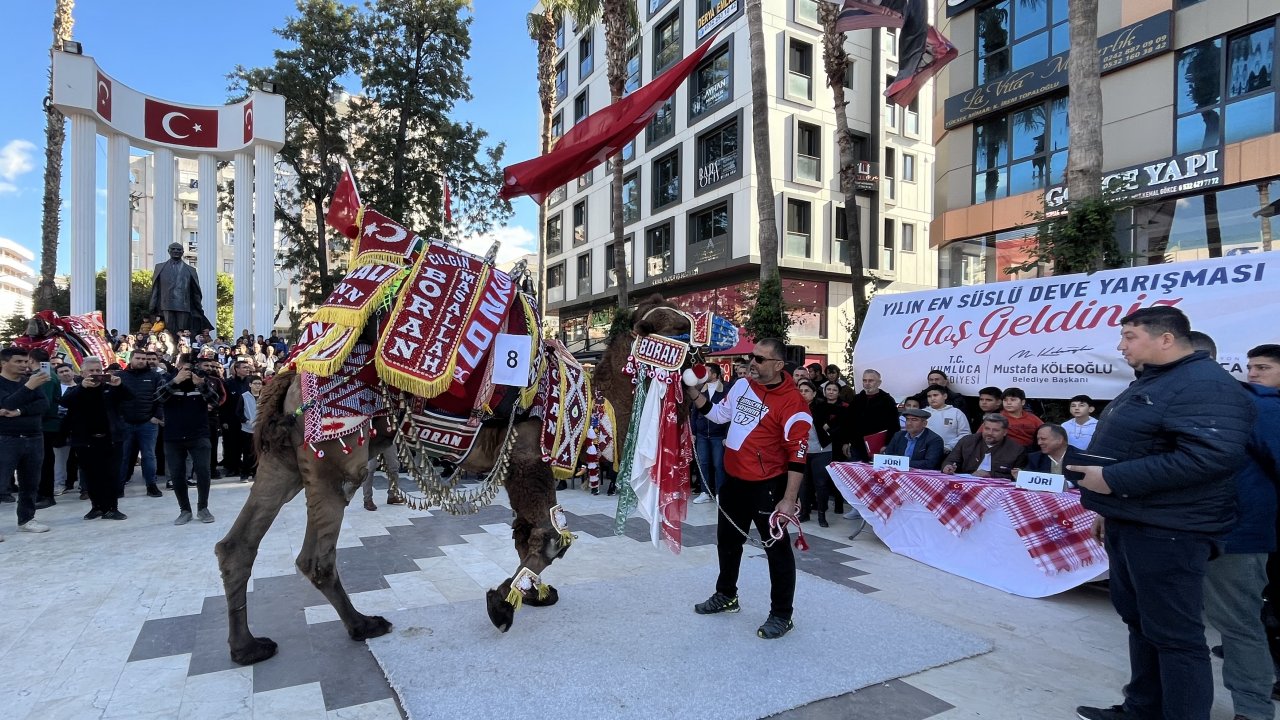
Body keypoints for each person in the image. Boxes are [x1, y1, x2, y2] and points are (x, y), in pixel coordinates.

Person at [1072, 307, 1255, 720]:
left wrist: (1114, 480)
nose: (1121, 346)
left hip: (1171, 530)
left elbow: (1210, 458)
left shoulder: (1205, 384)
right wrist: (1109, 504)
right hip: (1133, 519)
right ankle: (1141, 709)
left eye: (1129, 336)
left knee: (1176, 639)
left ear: (1166, 338)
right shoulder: (1159, 380)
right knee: (1141, 624)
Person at [688, 338, 812, 640]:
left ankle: (782, 614)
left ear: (778, 365)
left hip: (769, 486)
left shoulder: (794, 403)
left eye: (759, 359)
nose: (751, 364)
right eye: (750, 357)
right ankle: (726, 595)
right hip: (733, 480)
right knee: (727, 543)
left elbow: (798, 456)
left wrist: (788, 500)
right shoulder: (742, 386)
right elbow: (719, 415)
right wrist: (694, 393)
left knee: (777, 551)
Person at [1197, 339, 1280, 720]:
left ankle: (1254, 711)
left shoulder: (1261, 408)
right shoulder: (1221, 403)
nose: (1253, 374)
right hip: (1192, 527)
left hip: (1238, 533)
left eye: (1263, 367)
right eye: (1251, 367)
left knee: (1240, 625)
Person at [156, 353, 223, 525]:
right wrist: (175, 381)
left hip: (199, 434)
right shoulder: (166, 379)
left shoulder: (202, 381)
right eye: (185, 368)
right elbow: (158, 398)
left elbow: (215, 401)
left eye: (191, 368)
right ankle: (184, 510)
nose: (188, 372)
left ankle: (203, 508)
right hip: (173, 436)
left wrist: (201, 385)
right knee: (177, 475)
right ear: (178, 366)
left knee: (203, 471)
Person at [60, 361, 130, 520]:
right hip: (85, 440)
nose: (95, 372)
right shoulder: (76, 389)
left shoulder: (109, 387)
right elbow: (64, 402)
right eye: (91, 370)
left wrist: (119, 385)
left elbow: (129, 397)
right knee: (91, 475)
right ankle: (96, 506)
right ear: (82, 373)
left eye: (98, 369)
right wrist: (81, 387)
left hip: (111, 438)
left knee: (111, 474)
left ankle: (112, 508)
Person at [0, 348, 52, 536]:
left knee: (30, 483)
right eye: (18, 361)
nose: (24, 365)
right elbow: (6, 403)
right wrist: (28, 388)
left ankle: (27, 519)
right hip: (7, 439)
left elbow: (43, 405)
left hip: (34, 437)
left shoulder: (30, 381)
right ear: (4, 363)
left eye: (25, 361)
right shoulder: (26, 383)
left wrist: (20, 412)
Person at [115, 349, 166, 498]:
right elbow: (115, 399)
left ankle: (151, 485)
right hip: (126, 423)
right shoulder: (120, 376)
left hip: (148, 423)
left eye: (144, 358)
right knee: (124, 456)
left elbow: (161, 398)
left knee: (149, 456)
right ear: (131, 359)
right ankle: (119, 487)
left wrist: (157, 416)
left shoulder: (155, 376)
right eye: (138, 358)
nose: (142, 361)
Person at [149, 242, 213, 336]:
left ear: (183, 252)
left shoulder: (191, 270)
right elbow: (156, 288)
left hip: (184, 305)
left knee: (182, 329)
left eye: (179, 249)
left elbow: (195, 291)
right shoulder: (159, 267)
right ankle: (170, 349)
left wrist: (198, 307)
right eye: (173, 249)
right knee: (169, 330)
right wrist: (152, 304)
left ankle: (183, 348)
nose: (176, 251)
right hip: (166, 304)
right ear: (169, 251)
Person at [942, 413, 1027, 480]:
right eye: (987, 429)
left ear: (1005, 432)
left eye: (995, 430)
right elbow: (951, 460)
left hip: (997, 490)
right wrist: (948, 467)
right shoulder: (967, 441)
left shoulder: (1016, 450)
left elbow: (1017, 477)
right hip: (966, 484)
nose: (989, 433)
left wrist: (990, 475)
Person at [691, 364, 729, 504]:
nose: (703, 374)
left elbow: (729, 415)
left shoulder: (726, 391)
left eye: (706, 372)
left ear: (714, 375)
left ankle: (720, 492)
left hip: (718, 434)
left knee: (719, 465)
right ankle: (704, 491)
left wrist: (726, 435)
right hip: (701, 434)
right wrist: (693, 431)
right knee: (703, 463)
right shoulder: (700, 390)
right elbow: (694, 413)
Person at [847, 369, 899, 461]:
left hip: (879, 448)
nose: (867, 383)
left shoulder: (887, 401)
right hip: (857, 447)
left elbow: (894, 426)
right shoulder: (856, 400)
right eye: (864, 380)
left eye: (871, 380)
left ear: (879, 383)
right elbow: (848, 422)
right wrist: (846, 442)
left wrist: (887, 445)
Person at [42, 364, 78, 497]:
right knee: (60, 458)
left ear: (73, 372)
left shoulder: (81, 387)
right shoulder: (56, 388)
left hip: (79, 428)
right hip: (60, 429)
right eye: (61, 372)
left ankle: (82, 486)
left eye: (67, 370)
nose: (64, 373)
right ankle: (59, 484)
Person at [1014, 424, 1083, 482]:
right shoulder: (1036, 458)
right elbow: (1029, 478)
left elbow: (1088, 480)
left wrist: (1068, 484)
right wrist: (1022, 477)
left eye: (1043, 439)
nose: (1039, 443)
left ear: (1059, 440)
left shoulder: (1082, 457)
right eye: (1038, 439)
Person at [923, 384, 971, 452]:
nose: (932, 398)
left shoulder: (956, 413)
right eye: (929, 396)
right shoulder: (922, 413)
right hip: (925, 451)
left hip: (950, 452)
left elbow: (965, 434)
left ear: (945, 396)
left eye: (935, 395)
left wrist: (950, 446)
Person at [238, 376, 262, 482]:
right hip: (247, 429)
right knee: (247, 453)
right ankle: (244, 474)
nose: (258, 385)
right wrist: (247, 421)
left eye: (260, 383)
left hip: (260, 430)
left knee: (258, 453)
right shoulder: (244, 396)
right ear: (250, 384)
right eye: (255, 383)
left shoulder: (264, 396)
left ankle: (256, 473)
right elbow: (238, 412)